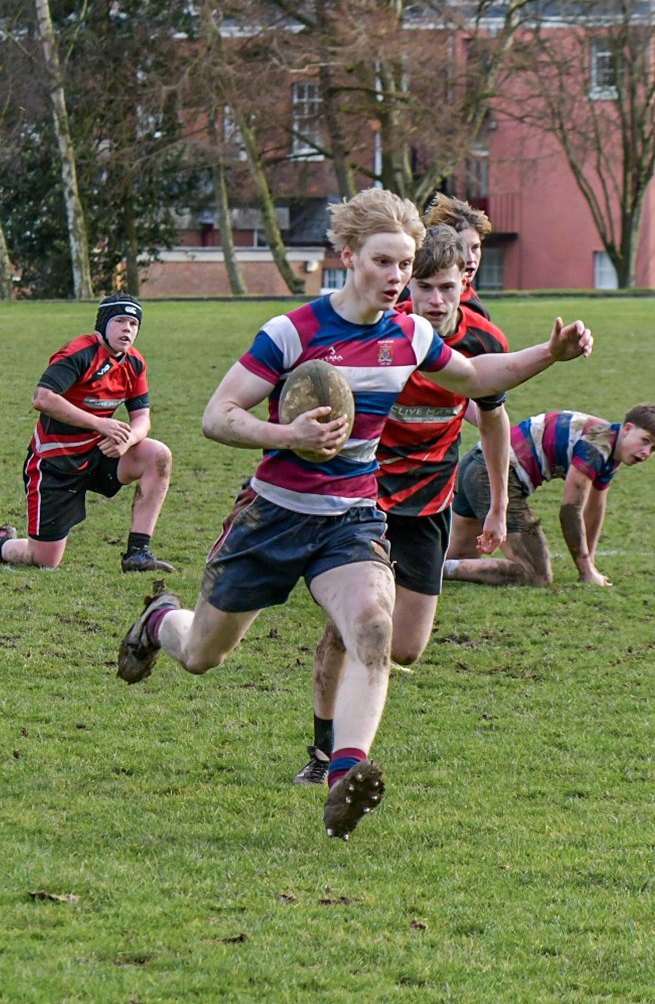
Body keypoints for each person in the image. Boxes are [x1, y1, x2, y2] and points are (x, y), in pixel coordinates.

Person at [116, 188, 592, 841]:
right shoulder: (294, 332)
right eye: (384, 262)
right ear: (348, 257)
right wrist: (289, 437)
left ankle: (345, 774)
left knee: (373, 627)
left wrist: (549, 354)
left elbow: (478, 377)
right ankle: (159, 618)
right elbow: (217, 416)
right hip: (274, 514)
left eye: (405, 264)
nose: (397, 278)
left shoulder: (410, 334)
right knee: (203, 655)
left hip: (352, 517)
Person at [293, 224, 511, 786]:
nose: (435, 301)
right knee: (357, 626)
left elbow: (492, 417)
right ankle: (326, 754)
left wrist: (498, 504)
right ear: (404, 285)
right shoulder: (377, 335)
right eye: (424, 288)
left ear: (466, 280)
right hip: (364, 503)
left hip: (429, 504)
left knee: (407, 648)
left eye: (447, 286)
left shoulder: (483, 342)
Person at [0, 293, 174, 573]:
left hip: (99, 454)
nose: (127, 329)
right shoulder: (78, 353)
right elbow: (42, 398)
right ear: (103, 324)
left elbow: (142, 417)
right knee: (45, 559)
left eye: (133, 323)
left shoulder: (134, 363)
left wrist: (128, 439)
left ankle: (137, 554)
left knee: (157, 455)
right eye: (119, 321)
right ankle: (3, 544)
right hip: (57, 464)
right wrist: (99, 423)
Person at [444, 405, 655, 588]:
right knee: (536, 574)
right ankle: (423, 568)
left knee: (457, 558)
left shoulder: (611, 446)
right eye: (645, 441)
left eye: (654, 449)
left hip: (476, 463)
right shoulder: (598, 445)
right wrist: (584, 569)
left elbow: (594, 509)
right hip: (490, 474)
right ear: (627, 429)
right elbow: (570, 510)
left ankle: (423, 568)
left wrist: (589, 563)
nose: (646, 452)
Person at [423, 191, 494, 317]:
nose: (471, 258)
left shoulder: (478, 311)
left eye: (475, 248)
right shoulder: (408, 301)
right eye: (462, 248)